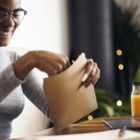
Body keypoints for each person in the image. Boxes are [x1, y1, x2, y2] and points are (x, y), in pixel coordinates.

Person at [0, 0, 100, 139]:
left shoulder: (16, 61)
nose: (10, 23)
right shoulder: (22, 64)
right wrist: (31, 59)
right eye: (1, 12)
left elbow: (58, 115)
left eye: (16, 13)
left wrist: (76, 77)